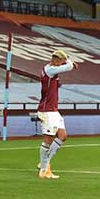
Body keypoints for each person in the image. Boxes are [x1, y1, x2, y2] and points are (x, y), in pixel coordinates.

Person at [37, 50, 78, 179]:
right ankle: (44, 169)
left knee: (62, 136)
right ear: (55, 60)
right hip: (47, 110)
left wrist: (67, 62)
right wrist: (70, 61)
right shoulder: (49, 70)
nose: (62, 63)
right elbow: (69, 66)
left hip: (53, 110)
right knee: (48, 139)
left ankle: (44, 163)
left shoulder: (52, 70)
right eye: (61, 61)